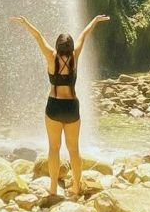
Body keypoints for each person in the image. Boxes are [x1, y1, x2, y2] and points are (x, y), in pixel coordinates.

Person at [10, 13, 110, 199]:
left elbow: (38, 36)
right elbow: (83, 36)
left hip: (54, 106)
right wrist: (95, 21)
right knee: (74, 149)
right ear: (71, 47)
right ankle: (76, 187)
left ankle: (54, 187)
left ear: (57, 46)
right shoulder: (74, 56)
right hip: (72, 107)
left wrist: (25, 23)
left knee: (54, 148)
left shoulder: (51, 56)